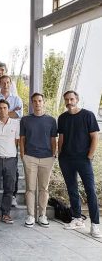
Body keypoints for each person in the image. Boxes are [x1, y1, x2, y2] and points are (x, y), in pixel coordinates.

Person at [58, 90, 101, 238]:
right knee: (72, 190)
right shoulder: (62, 118)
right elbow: (61, 138)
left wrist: (89, 156)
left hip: (83, 159)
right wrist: (60, 155)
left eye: (71, 99)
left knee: (90, 191)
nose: (69, 102)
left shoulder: (88, 115)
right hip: (66, 160)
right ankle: (77, 219)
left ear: (77, 99)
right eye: (67, 100)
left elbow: (95, 137)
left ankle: (95, 225)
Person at [20, 93, 57, 228]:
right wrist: (23, 155)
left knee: (44, 188)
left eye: (40, 101)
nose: (37, 103)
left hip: (47, 158)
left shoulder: (51, 120)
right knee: (30, 188)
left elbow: (54, 139)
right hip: (30, 157)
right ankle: (30, 215)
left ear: (43, 102)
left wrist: (54, 155)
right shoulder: (25, 120)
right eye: (34, 101)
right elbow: (22, 139)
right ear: (32, 103)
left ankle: (42, 215)